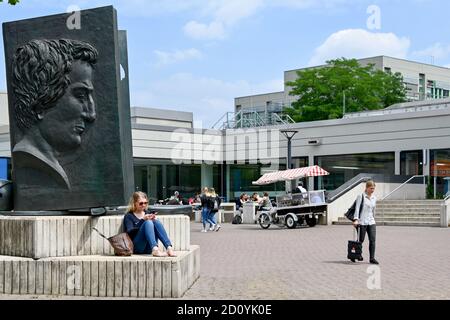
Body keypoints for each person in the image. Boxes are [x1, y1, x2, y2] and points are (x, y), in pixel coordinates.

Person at [11, 39, 98, 190]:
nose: (91, 114)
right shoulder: (31, 160)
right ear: (40, 102)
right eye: (81, 96)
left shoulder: (51, 163)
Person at [123, 191, 176, 257]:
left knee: (156, 222)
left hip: (149, 248)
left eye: (145, 203)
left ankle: (168, 248)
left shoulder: (147, 213)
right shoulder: (129, 216)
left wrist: (153, 219)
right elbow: (129, 233)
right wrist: (142, 220)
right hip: (137, 248)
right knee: (148, 222)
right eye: (141, 203)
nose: (143, 205)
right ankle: (155, 250)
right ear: (134, 203)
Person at [352, 180, 379, 264]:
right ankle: (356, 255)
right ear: (366, 188)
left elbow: (373, 209)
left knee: (372, 240)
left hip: (371, 222)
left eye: (373, 188)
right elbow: (357, 208)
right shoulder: (361, 196)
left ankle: (372, 258)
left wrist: (374, 219)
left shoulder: (374, 198)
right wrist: (356, 219)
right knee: (360, 240)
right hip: (362, 222)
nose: (372, 190)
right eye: (371, 188)